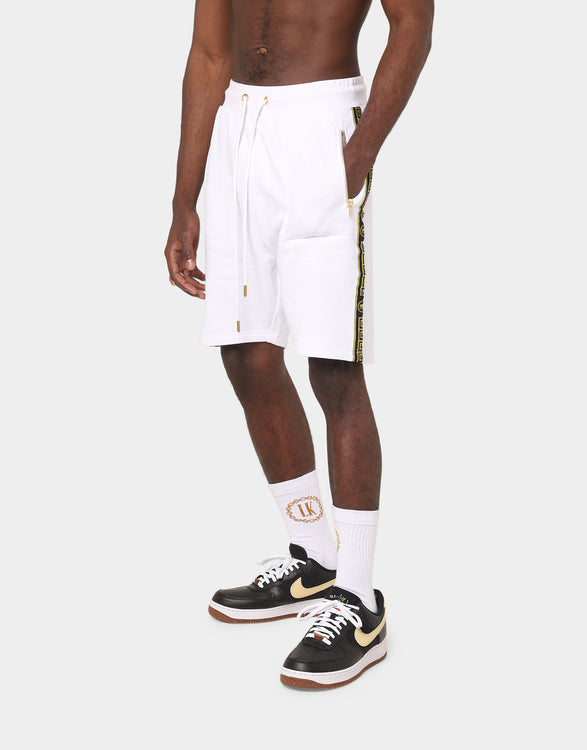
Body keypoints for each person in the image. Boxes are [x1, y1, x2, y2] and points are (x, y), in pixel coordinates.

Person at [164, 0, 433, 689]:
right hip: (239, 130)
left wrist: (360, 152)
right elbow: (210, 55)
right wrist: (184, 198)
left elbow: (413, 23)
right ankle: (313, 557)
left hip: (324, 126)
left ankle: (360, 599)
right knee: (246, 353)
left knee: (334, 366)